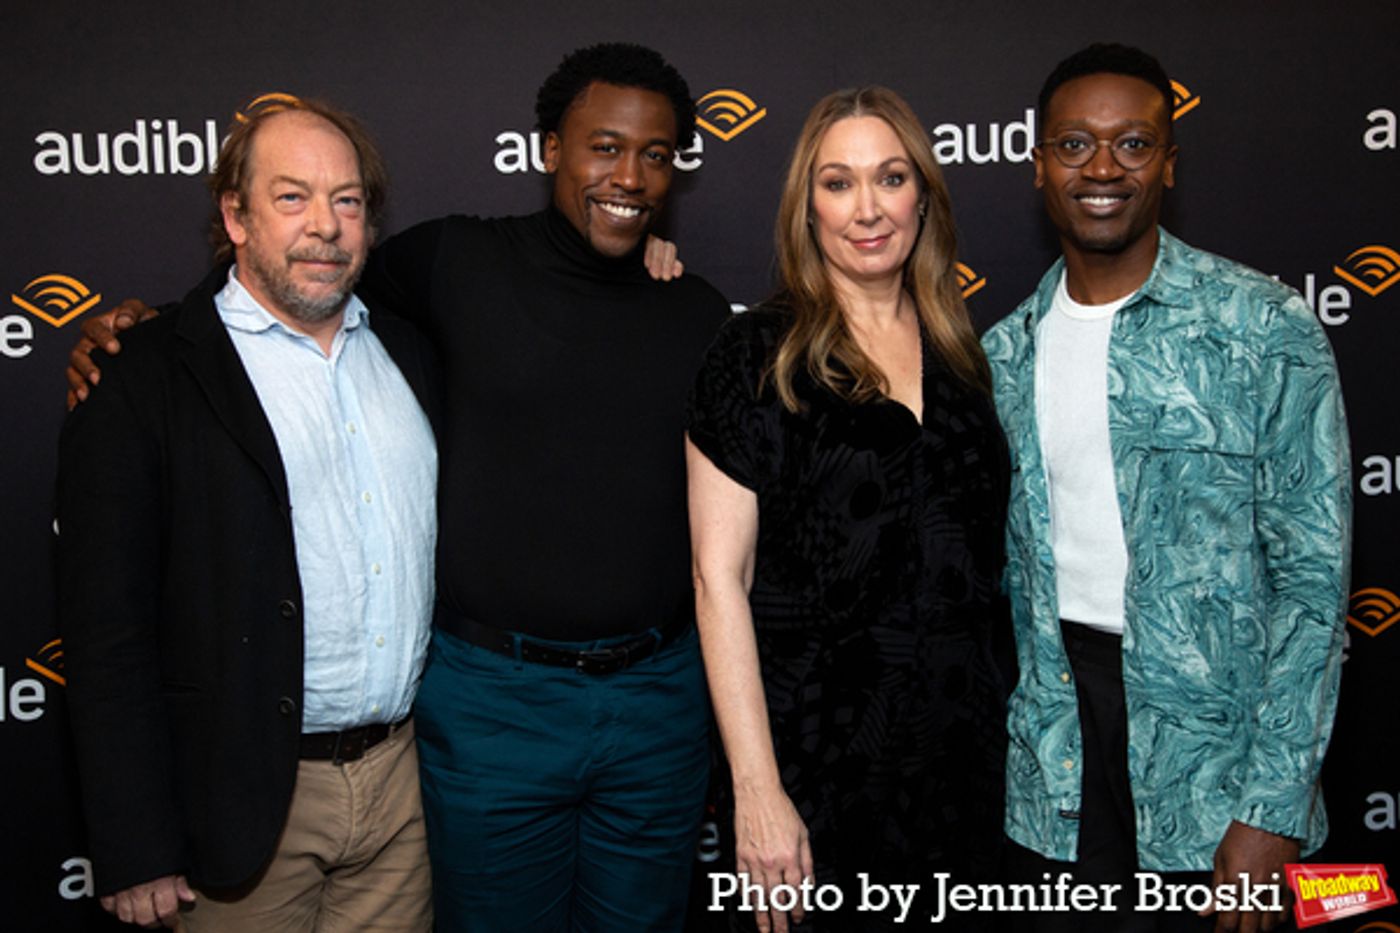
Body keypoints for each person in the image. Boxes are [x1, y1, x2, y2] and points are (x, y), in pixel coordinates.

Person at [67, 42, 728, 932]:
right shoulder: (453, 262)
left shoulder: (684, 310)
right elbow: (287, 277)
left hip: (641, 706)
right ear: (548, 151)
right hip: (485, 705)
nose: (630, 173)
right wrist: (144, 331)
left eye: (655, 155)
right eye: (604, 147)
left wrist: (644, 249)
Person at [981, 43, 1350, 933]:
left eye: (1133, 144)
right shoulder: (1000, 353)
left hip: (1218, 764)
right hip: (1056, 763)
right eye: (1074, 144)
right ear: (1039, 166)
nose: (1103, 167)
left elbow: (1314, 580)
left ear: (1169, 163)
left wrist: (1272, 803)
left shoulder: (1265, 327)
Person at [56, 100, 439, 931]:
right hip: (239, 802)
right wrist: (134, 841)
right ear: (235, 214)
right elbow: (104, 630)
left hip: (402, 791)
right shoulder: (142, 374)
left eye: (346, 201)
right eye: (292, 197)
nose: (325, 228)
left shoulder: (410, 351)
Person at [687, 87, 1010, 933]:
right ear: (807, 207)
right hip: (813, 776)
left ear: (923, 197)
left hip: (961, 774)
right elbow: (719, 579)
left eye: (890, 177)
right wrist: (756, 790)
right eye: (838, 183)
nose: (867, 208)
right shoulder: (756, 354)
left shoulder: (964, 355)